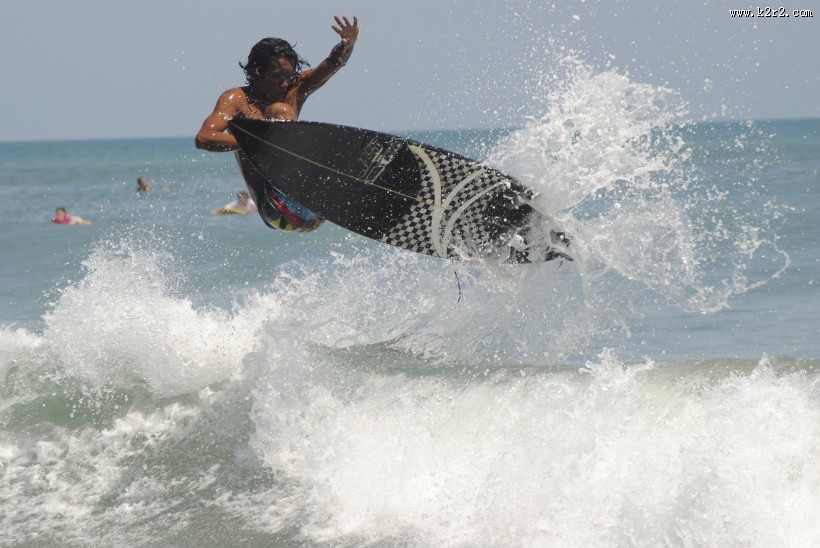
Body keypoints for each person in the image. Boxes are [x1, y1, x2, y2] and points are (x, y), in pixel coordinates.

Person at [195, 15, 359, 233]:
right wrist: (257, 141)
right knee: (279, 111)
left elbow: (331, 64)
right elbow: (204, 138)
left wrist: (347, 44)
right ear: (256, 72)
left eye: (288, 76)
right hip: (276, 207)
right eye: (277, 76)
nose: (284, 84)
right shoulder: (236, 99)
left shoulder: (294, 89)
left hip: (312, 201)